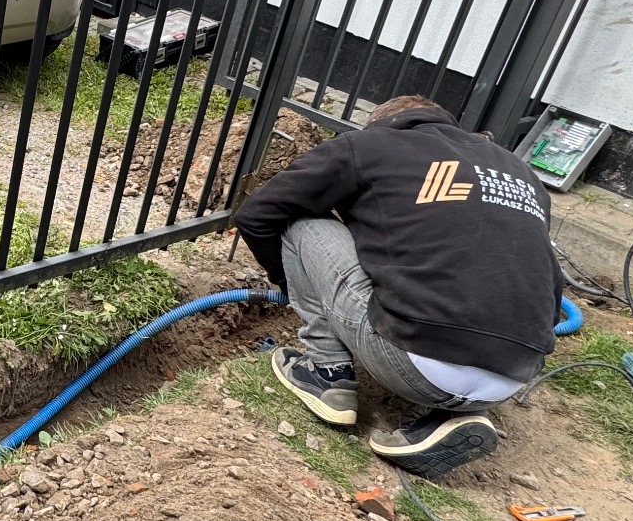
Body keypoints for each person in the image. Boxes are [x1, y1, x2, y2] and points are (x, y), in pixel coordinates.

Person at [232, 95, 564, 478]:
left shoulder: (372, 145)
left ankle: (326, 374)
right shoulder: (520, 172)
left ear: (379, 123)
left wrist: (294, 281)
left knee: (302, 225)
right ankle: (450, 416)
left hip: (417, 362)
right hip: (512, 375)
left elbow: (258, 213)